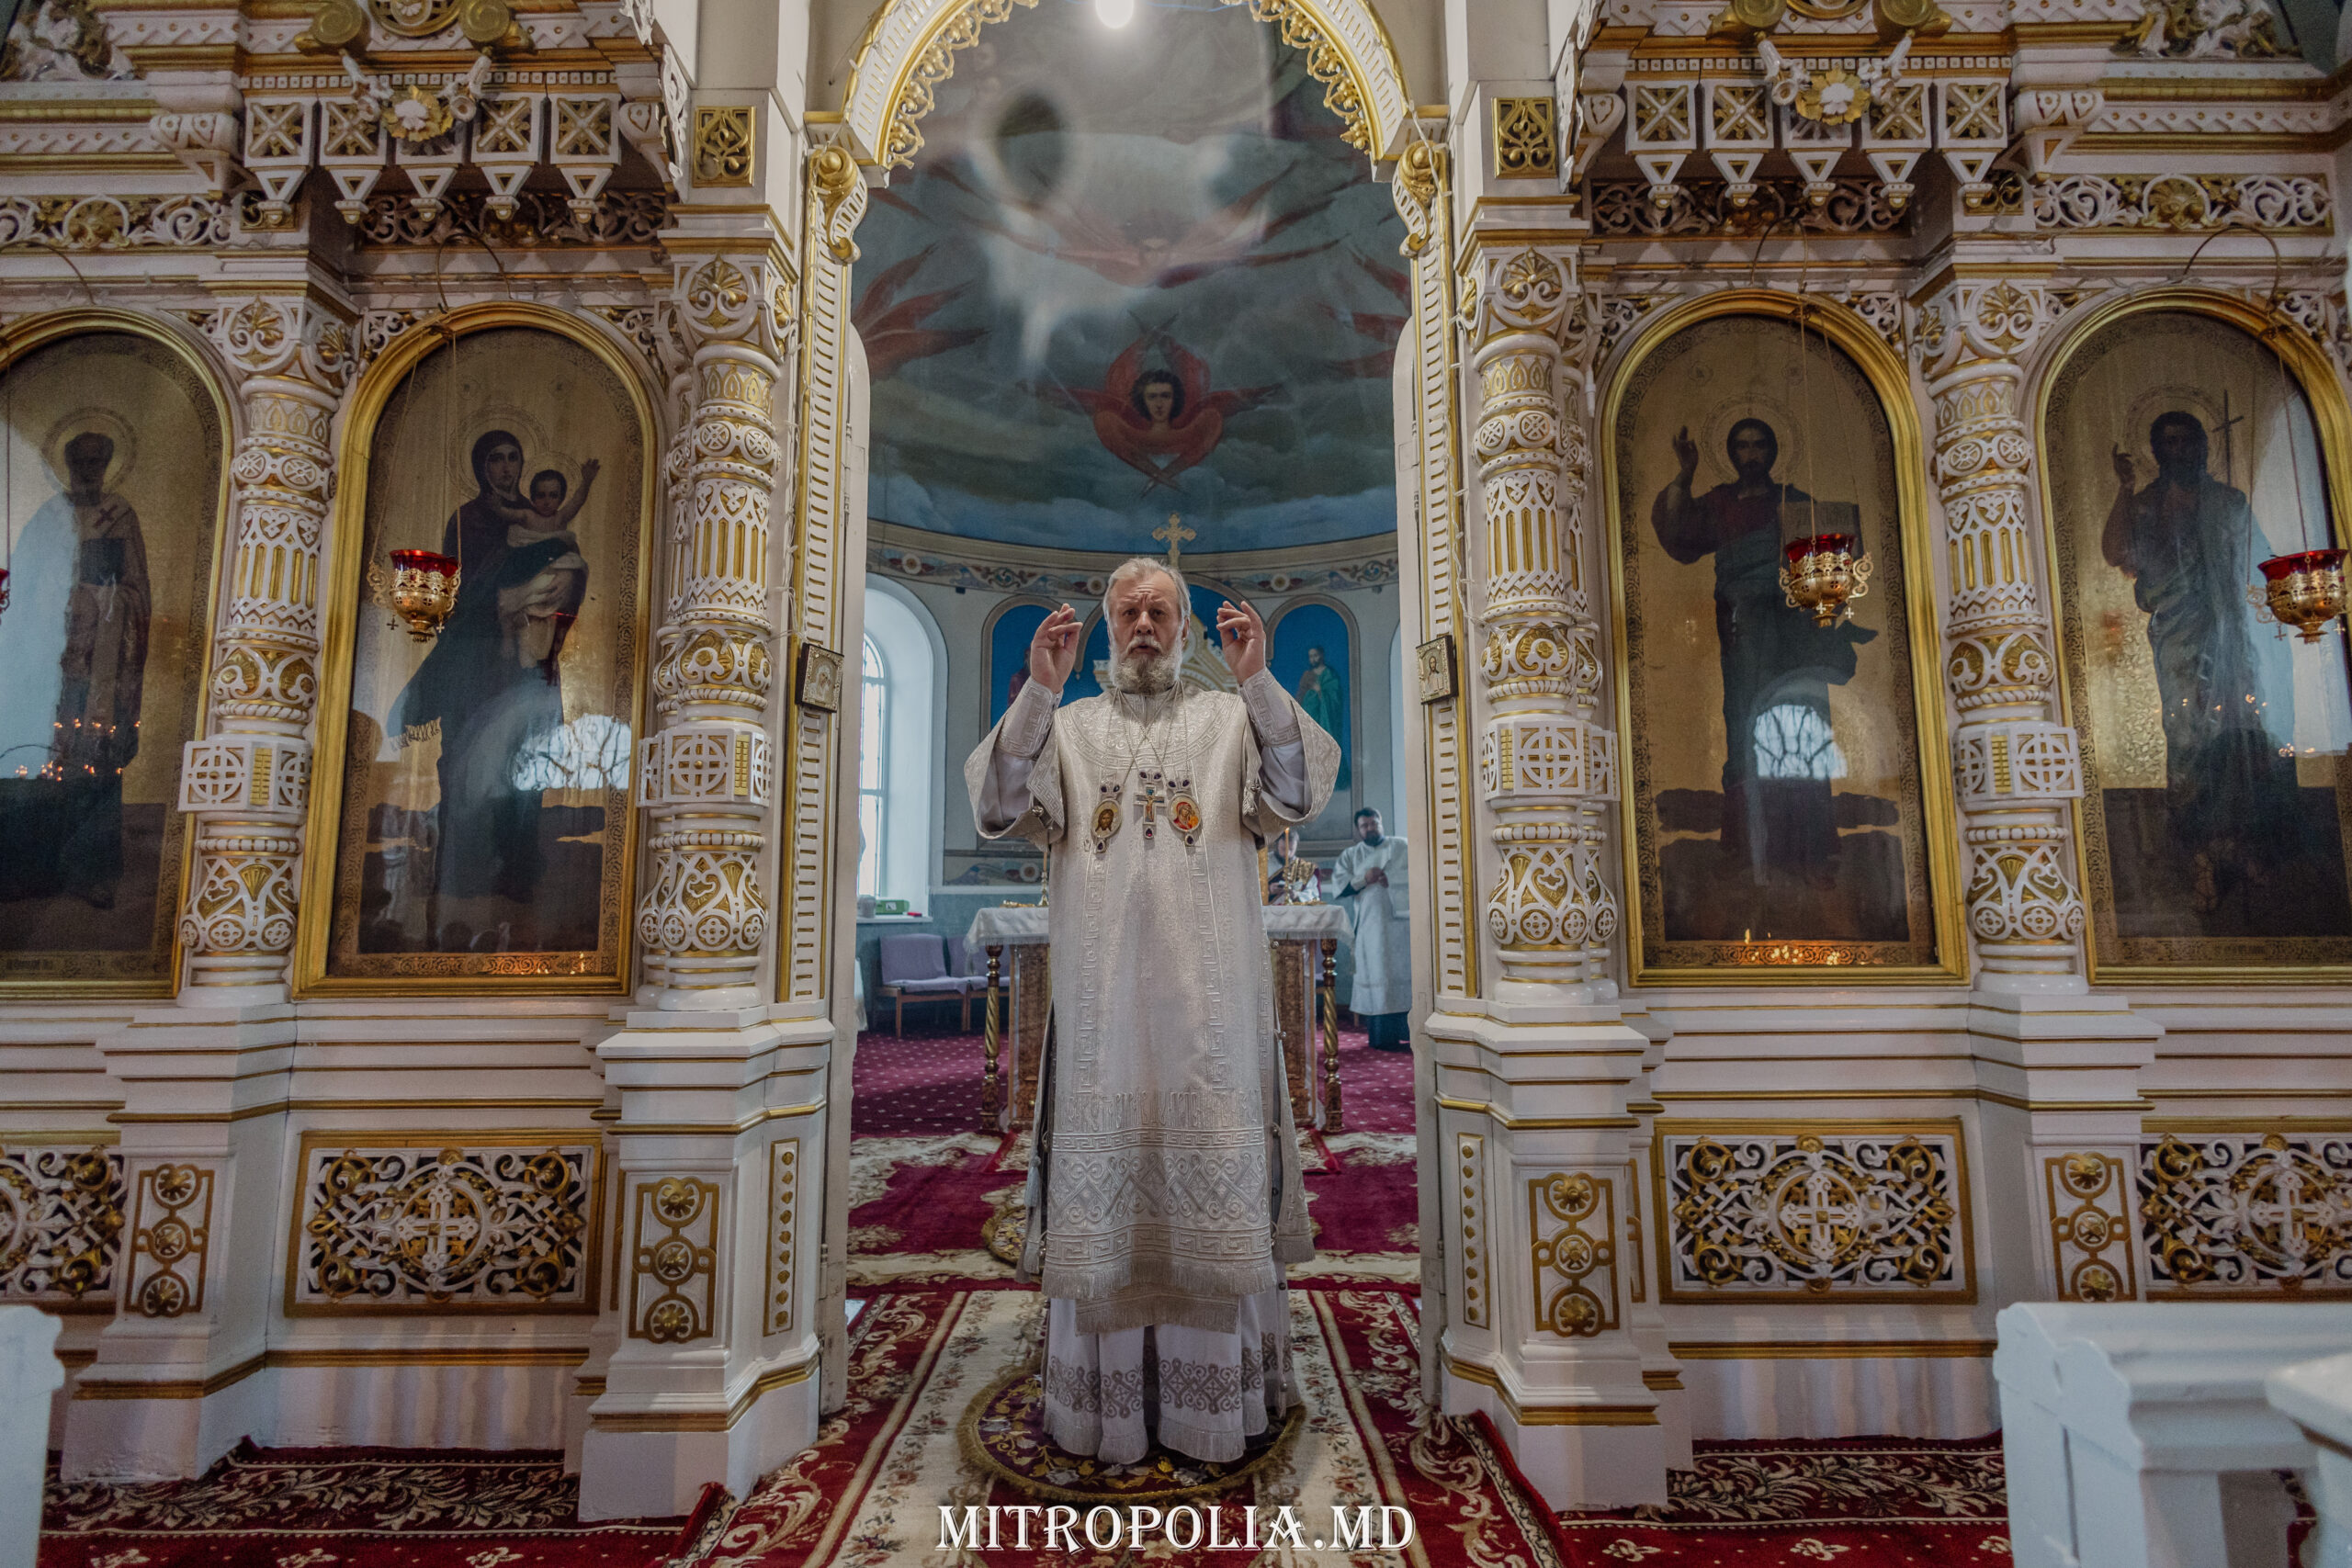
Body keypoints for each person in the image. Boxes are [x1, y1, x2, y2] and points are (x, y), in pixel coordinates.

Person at [966, 555, 1338, 1466]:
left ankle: (1215, 1406)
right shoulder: (1070, 727)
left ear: (1183, 630)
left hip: (1208, 1022)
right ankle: (1110, 1410)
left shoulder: (1229, 720)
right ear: (1105, 626)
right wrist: (1039, 691)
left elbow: (1296, 792)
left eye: (1159, 613)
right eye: (1128, 612)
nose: (1143, 626)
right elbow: (1000, 800)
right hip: (1106, 1023)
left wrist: (1257, 681)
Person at [1651, 417, 1873, 887]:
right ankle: (1747, 845)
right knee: (1744, 726)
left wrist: (1828, 596)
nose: (1751, 455)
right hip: (1744, 633)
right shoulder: (1719, 505)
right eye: (1742, 447)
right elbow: (1679, 537)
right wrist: (1686, 474)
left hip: (1795, 635)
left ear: (1772, 452)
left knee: (1802, 727)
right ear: (1731, 454)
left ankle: (1809, 848)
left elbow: (1832, 570)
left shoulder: (1796, 504)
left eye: (1759, 446)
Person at [388, 430, 590, 944]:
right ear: (481, 466)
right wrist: (508, 591)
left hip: (528, 668)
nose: (505, 467)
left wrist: (553, 588)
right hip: (475, 667)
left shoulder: (537, 514)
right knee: (466, 764)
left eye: (512, 458)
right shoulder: (469, 520)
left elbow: (570, 576)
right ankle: (463, 874)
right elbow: (458, 591)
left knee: (525, 767)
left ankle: (517, 872)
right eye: (495, 459)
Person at [2101, 410, 2301, 911]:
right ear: (2156, 451)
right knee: (2189, 738)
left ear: (2202, 447)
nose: (2180, 450)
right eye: (2169, 442)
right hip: (2180, 637)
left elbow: (2263, 562)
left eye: (2188, 440)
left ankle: (2247, 845)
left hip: (2235, 635)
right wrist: (2124, 489)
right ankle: (2201, 852)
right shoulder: (2146, 506)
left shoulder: (2229, 503)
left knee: (2244, 734)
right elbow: (2117, 551)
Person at [1332, 807, 1410, 1051]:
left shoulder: (1402, 846)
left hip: (1401, 925)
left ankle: (1407, 1033)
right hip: (1370, 927)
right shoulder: (1351, 855)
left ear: (1381, 822)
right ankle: (1381, 1038)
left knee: (1404, 976)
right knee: (1377, 976)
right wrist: (1363, 879)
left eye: (1373, 823)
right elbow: (1340, 887)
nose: (1370, 828)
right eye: (1364, 826)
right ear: (1358, 830)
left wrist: (1391, 879)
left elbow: (1422, 873)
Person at [1291, 644, 1348, 789]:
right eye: (1311, 656)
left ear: (1322, 655)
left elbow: (1335, 697)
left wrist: (1320, 690)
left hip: (1325, 720)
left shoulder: (1330, 674)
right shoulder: (1307, 675)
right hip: (1309, 716)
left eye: (1315, 655)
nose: (1313, 659)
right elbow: (1300, 696)